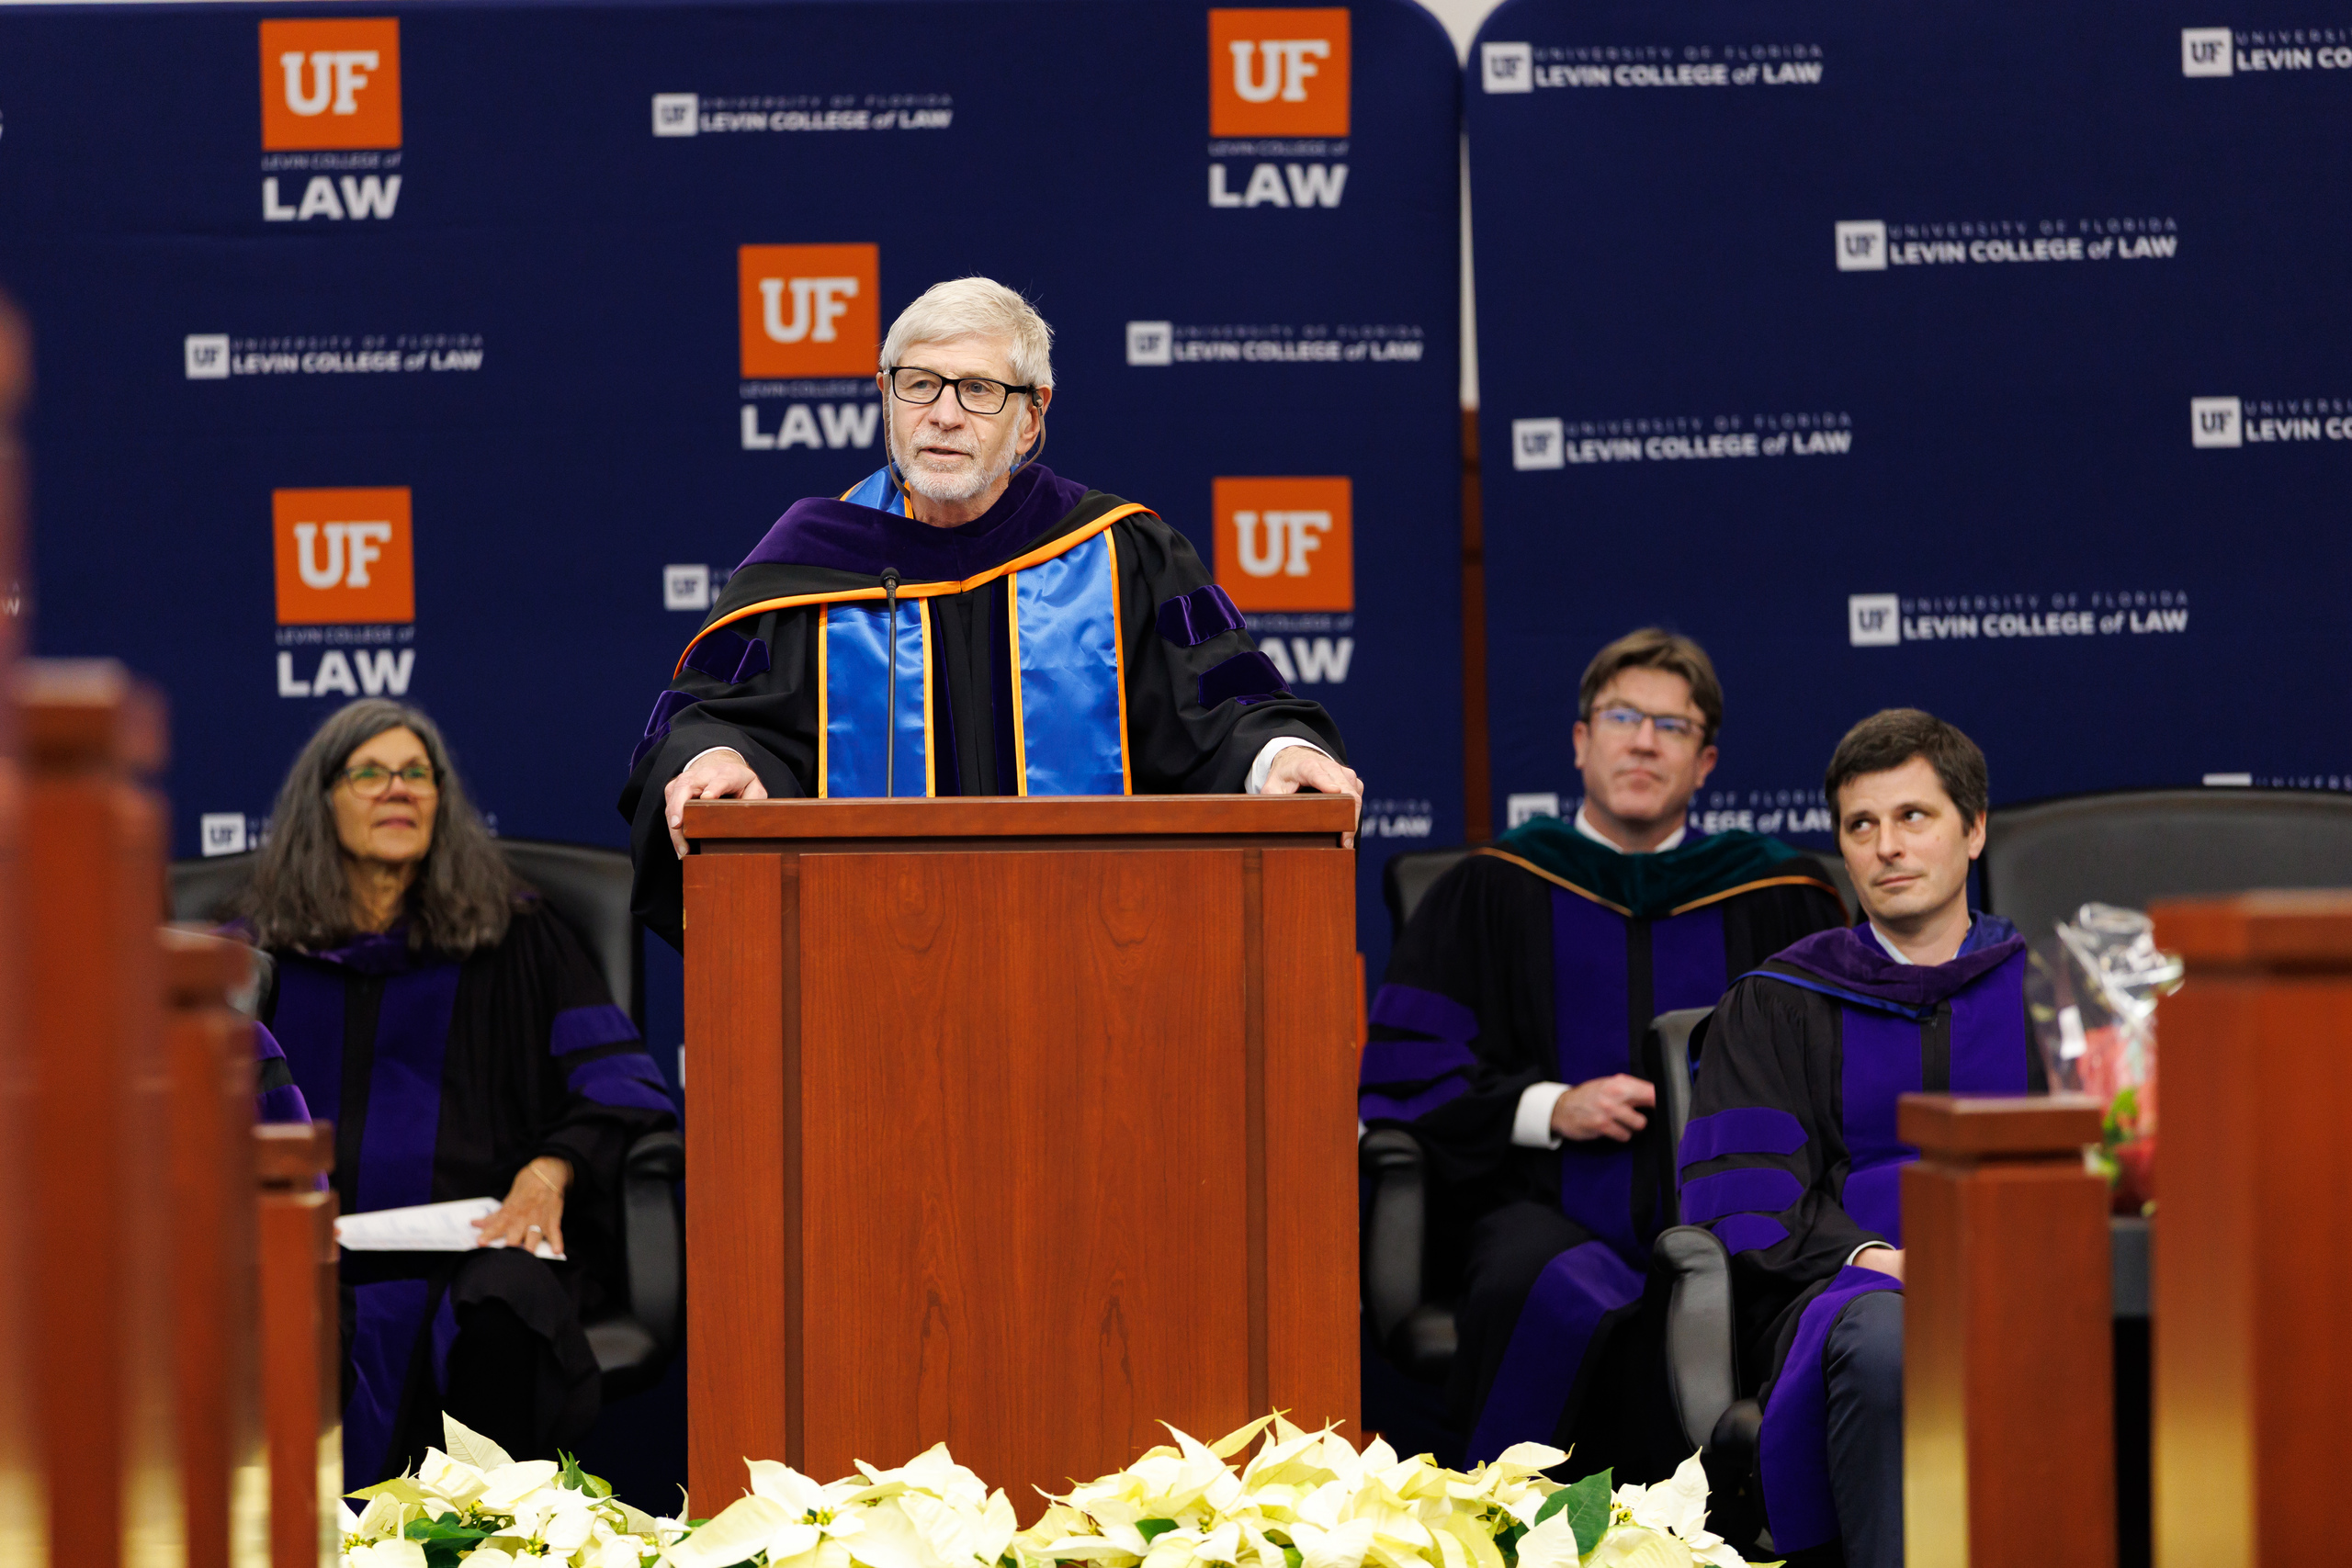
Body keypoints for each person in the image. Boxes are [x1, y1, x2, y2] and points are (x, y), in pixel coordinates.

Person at [619, 276, 1356, 945]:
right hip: (869, 959)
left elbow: (1228, 708)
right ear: (884, 396)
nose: (942, 415)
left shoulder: (1122, 554)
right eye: (918, 386)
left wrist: (1279, 755)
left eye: (977, 389)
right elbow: (713, 721)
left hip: (1101, 949)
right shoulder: (811, 563)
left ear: (1031, 417)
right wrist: (717, 758)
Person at [1359, 629, 1846, 1472]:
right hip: (1543, 1204)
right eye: (1622, 717)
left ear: (1706, 762)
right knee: (1535, 1284)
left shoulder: (1781, 897)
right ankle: (1504, 1524)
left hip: (1733, 1213)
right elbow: (1405, 1078)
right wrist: (1550, 1106)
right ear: (1582, 742)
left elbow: (1835, 1079)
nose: (1644, 740)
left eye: (1672, 725)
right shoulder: (1491, 888)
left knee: (1773, 1288)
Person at [231, 699, 677, 1484]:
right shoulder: (256, 956)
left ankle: (488, 1536)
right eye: (369, 772)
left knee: (508, 1308)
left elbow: (623, 1085)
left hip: (471, 1251)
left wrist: (551, 1169)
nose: (398, 788)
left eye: (417, 773)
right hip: (301, 1252)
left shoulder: (517, 937)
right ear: (321, 800)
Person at [1680, 709, 2041, 1568]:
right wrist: (1882, 1258)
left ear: (1975, 828)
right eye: (1862, 824)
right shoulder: (1777, 1000)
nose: (1887, 845)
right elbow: (1746, 1200)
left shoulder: (2049, 990)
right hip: (1847, 1291)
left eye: (1914, 816)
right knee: (1890, 1341)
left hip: (2033, 1270)